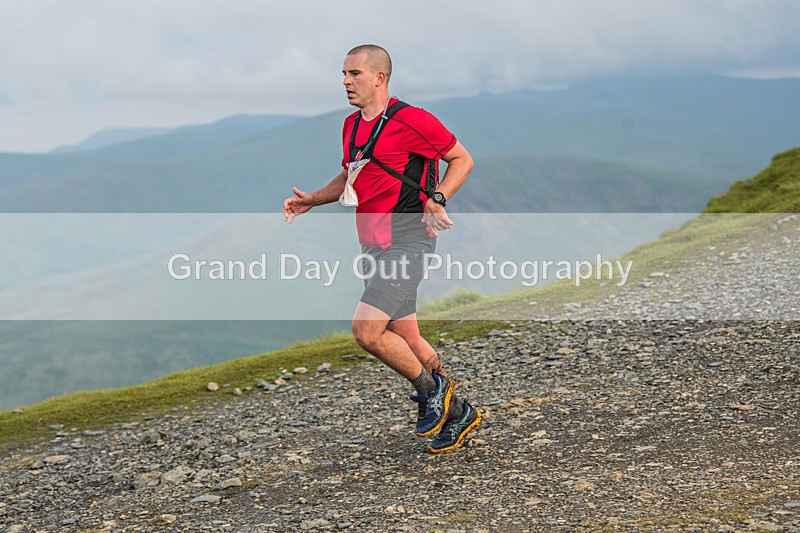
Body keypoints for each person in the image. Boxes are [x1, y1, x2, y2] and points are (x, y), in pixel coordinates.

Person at [282, 44, 481, 453]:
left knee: (366, 331)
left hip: (409, 240)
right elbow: (350, 176)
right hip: (372, 244)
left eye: (354, 73)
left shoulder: (412, 120)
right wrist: (312, 199)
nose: (345, 81)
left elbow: (462, 159)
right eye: (343, 74)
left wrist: (438, 197)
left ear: (379, 77)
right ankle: (459, 412)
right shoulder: (351, 126)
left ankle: (432, 390)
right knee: (405, 335)